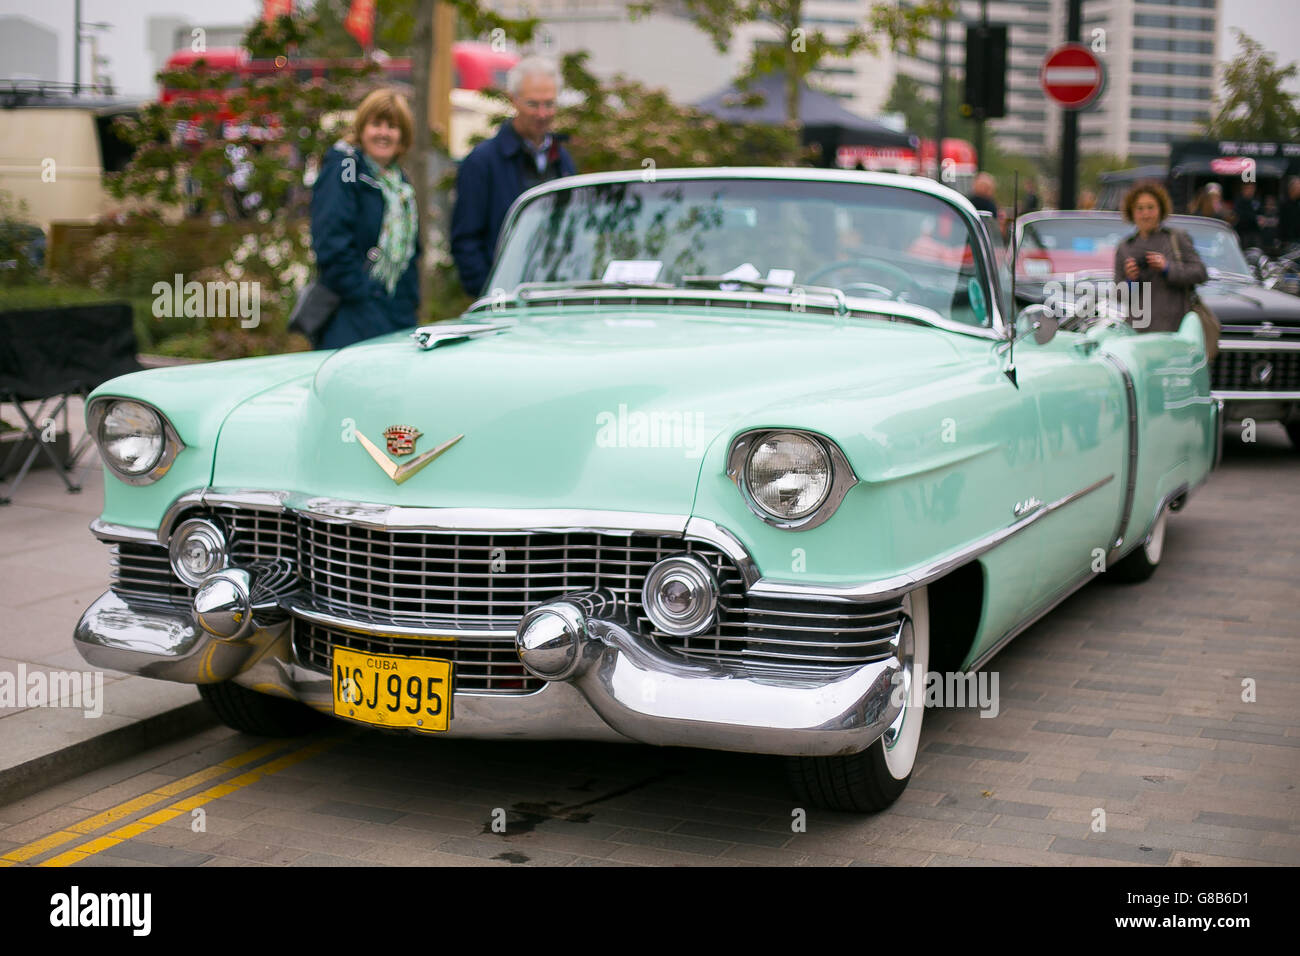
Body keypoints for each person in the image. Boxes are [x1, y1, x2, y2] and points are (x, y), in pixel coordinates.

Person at [451, 56, 577, 298]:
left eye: (549, 104)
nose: (542, 114)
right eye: (533, 104)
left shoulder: (562, 161)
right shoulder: (482, 162)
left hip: (556, 297)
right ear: (514, 100)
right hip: (504, 303)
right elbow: (466, 241)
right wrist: (489, 296)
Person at [310, 88, 420, 349]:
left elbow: (414, 251)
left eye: (392, 127)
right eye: (376, 124)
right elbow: (330, 243)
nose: (383, 133)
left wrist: (409, 302)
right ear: (362, 129)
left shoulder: (399, 183)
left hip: (397, 314)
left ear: (402, 137)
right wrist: (364, 294)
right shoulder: (345, 170)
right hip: (352, 317)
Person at [1113, 181, 1207, 334]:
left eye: (1151, 207)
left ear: (1160, 210)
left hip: (1175, 330)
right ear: (1132, 212)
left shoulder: (1176, 238)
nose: (1145, 214)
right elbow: (1118, 295)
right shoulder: (1125, 247)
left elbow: (1200, 273)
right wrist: (1130, 280)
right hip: (1138, 332)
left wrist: (1167, 268)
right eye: (1140, 208)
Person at [1233, 181, 1263, 249]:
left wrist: (1262, 219)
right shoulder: (1239, 201)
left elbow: (1261, 212)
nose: (1250, 190)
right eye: (1247, 188)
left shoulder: (1256, 200)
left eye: (1252, 188)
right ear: (1243, 189)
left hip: (1255, 232)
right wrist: (1255, 218)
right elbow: (1240, 215)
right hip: (1243, 233)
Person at [1279, 176, 1300, 246]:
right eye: (1298, 187)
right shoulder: (1284, 204)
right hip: (1288, 240)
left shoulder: (1297, 203)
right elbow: (1284, 223)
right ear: (1292, 189)